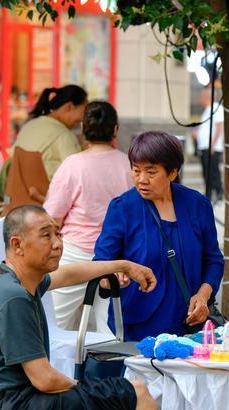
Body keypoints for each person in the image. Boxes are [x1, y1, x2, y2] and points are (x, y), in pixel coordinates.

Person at [0, 204, 162, 410]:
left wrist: (124, 265)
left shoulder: (17, 281)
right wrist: (88, 390)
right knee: (137, 392)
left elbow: (69, 274)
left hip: (25, 406)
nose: (57, 243)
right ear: (17, 244)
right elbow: (45, 380)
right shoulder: (13, 297)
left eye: (58, 233)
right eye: (46, 235)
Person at [94, 131, 224, 341]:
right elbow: (101, 264)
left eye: (151, 172)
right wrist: (113, 277)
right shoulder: (123, 208)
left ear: (172, 173)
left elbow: (214, 260)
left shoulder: (197, 205)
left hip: (190, 325)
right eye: (136, 171)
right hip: (138, 327)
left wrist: (203, 295)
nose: (141, 179)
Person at [43, 101, 133, 333]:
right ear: (115, 130)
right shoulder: (129, 166)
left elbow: (53, 216)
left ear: (84, 129)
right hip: (114, 258)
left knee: (56, 327)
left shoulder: (73, 165)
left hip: (74, 256)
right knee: (109, 332)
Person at [12, 85, 87, 179]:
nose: (82, 119)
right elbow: (78, 176)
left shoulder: (29, 126)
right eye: (84, 111)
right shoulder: (64, 136)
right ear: (69, 107)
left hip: (17, 191)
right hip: (45, 192)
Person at [195, 85, 224, 203]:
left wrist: (213, 144)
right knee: (206, 171)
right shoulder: (206, 110)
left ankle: (218, 192)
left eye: (202, 96)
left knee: (213, 171)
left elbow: (219, 126)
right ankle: (209, 192)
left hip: (211, 147)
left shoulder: (216, 108)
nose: (201, 98)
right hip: (204, 146)